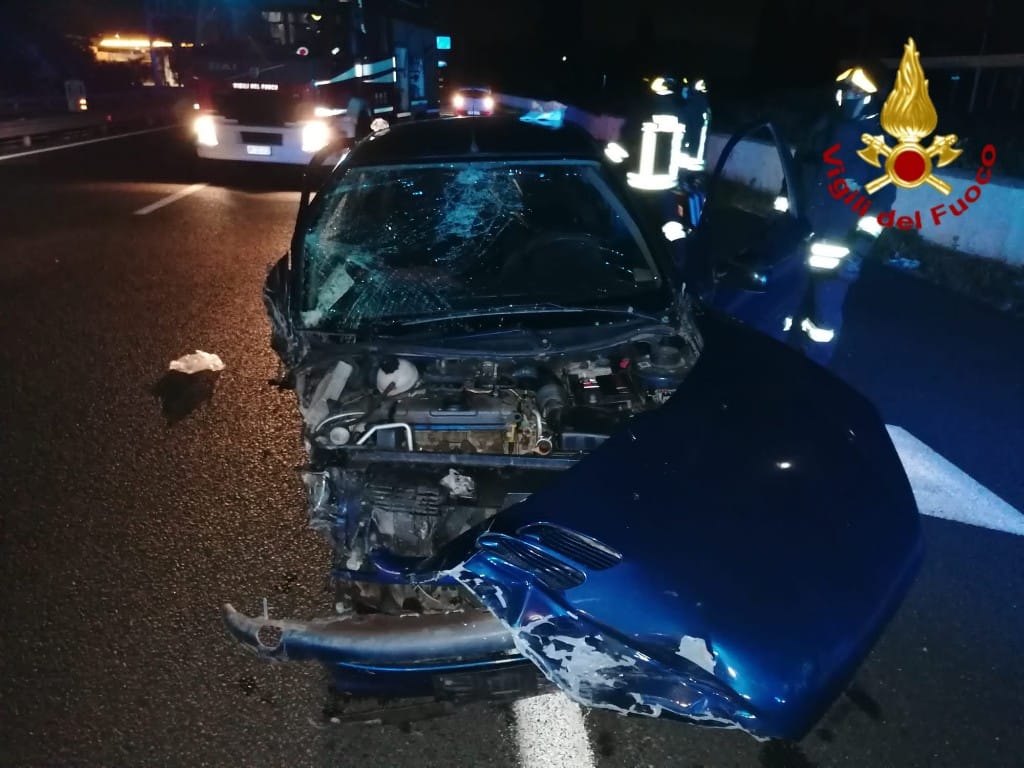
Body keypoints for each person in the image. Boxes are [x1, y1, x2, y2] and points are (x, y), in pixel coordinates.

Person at [790, 64, 896, 366]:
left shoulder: (880, 142)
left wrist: (859, 248)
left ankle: (815, 368)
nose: (850, 94)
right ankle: (783, 357)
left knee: (823, 318)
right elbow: (795, 175)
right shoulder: (822, 128)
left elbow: (881, 204)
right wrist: (781, 222)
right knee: (787, 303)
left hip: (839, 247)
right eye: (847, 88)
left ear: (871, 96)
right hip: (798, 238)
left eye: (858, 90)